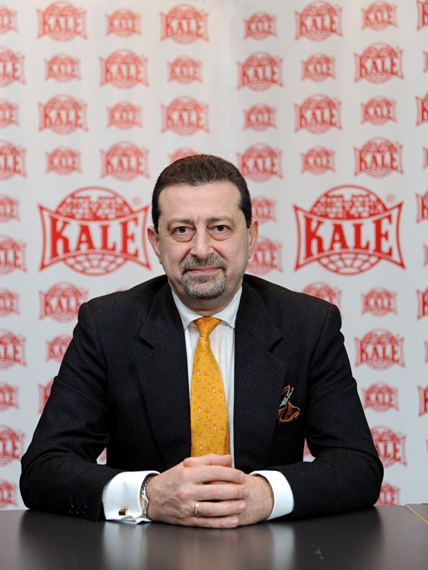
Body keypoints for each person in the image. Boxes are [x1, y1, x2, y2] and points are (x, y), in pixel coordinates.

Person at [20, 154, 383, 528]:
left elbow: (357, 465)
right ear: (156, 242)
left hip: (267, 544)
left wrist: (265, 495)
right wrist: (148, 496)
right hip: (146, 547)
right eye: (181, 230)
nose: (202, 249)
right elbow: (43, 469)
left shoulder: (308, 325)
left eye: (220, 228)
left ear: (251, 236)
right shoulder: (107, 326)